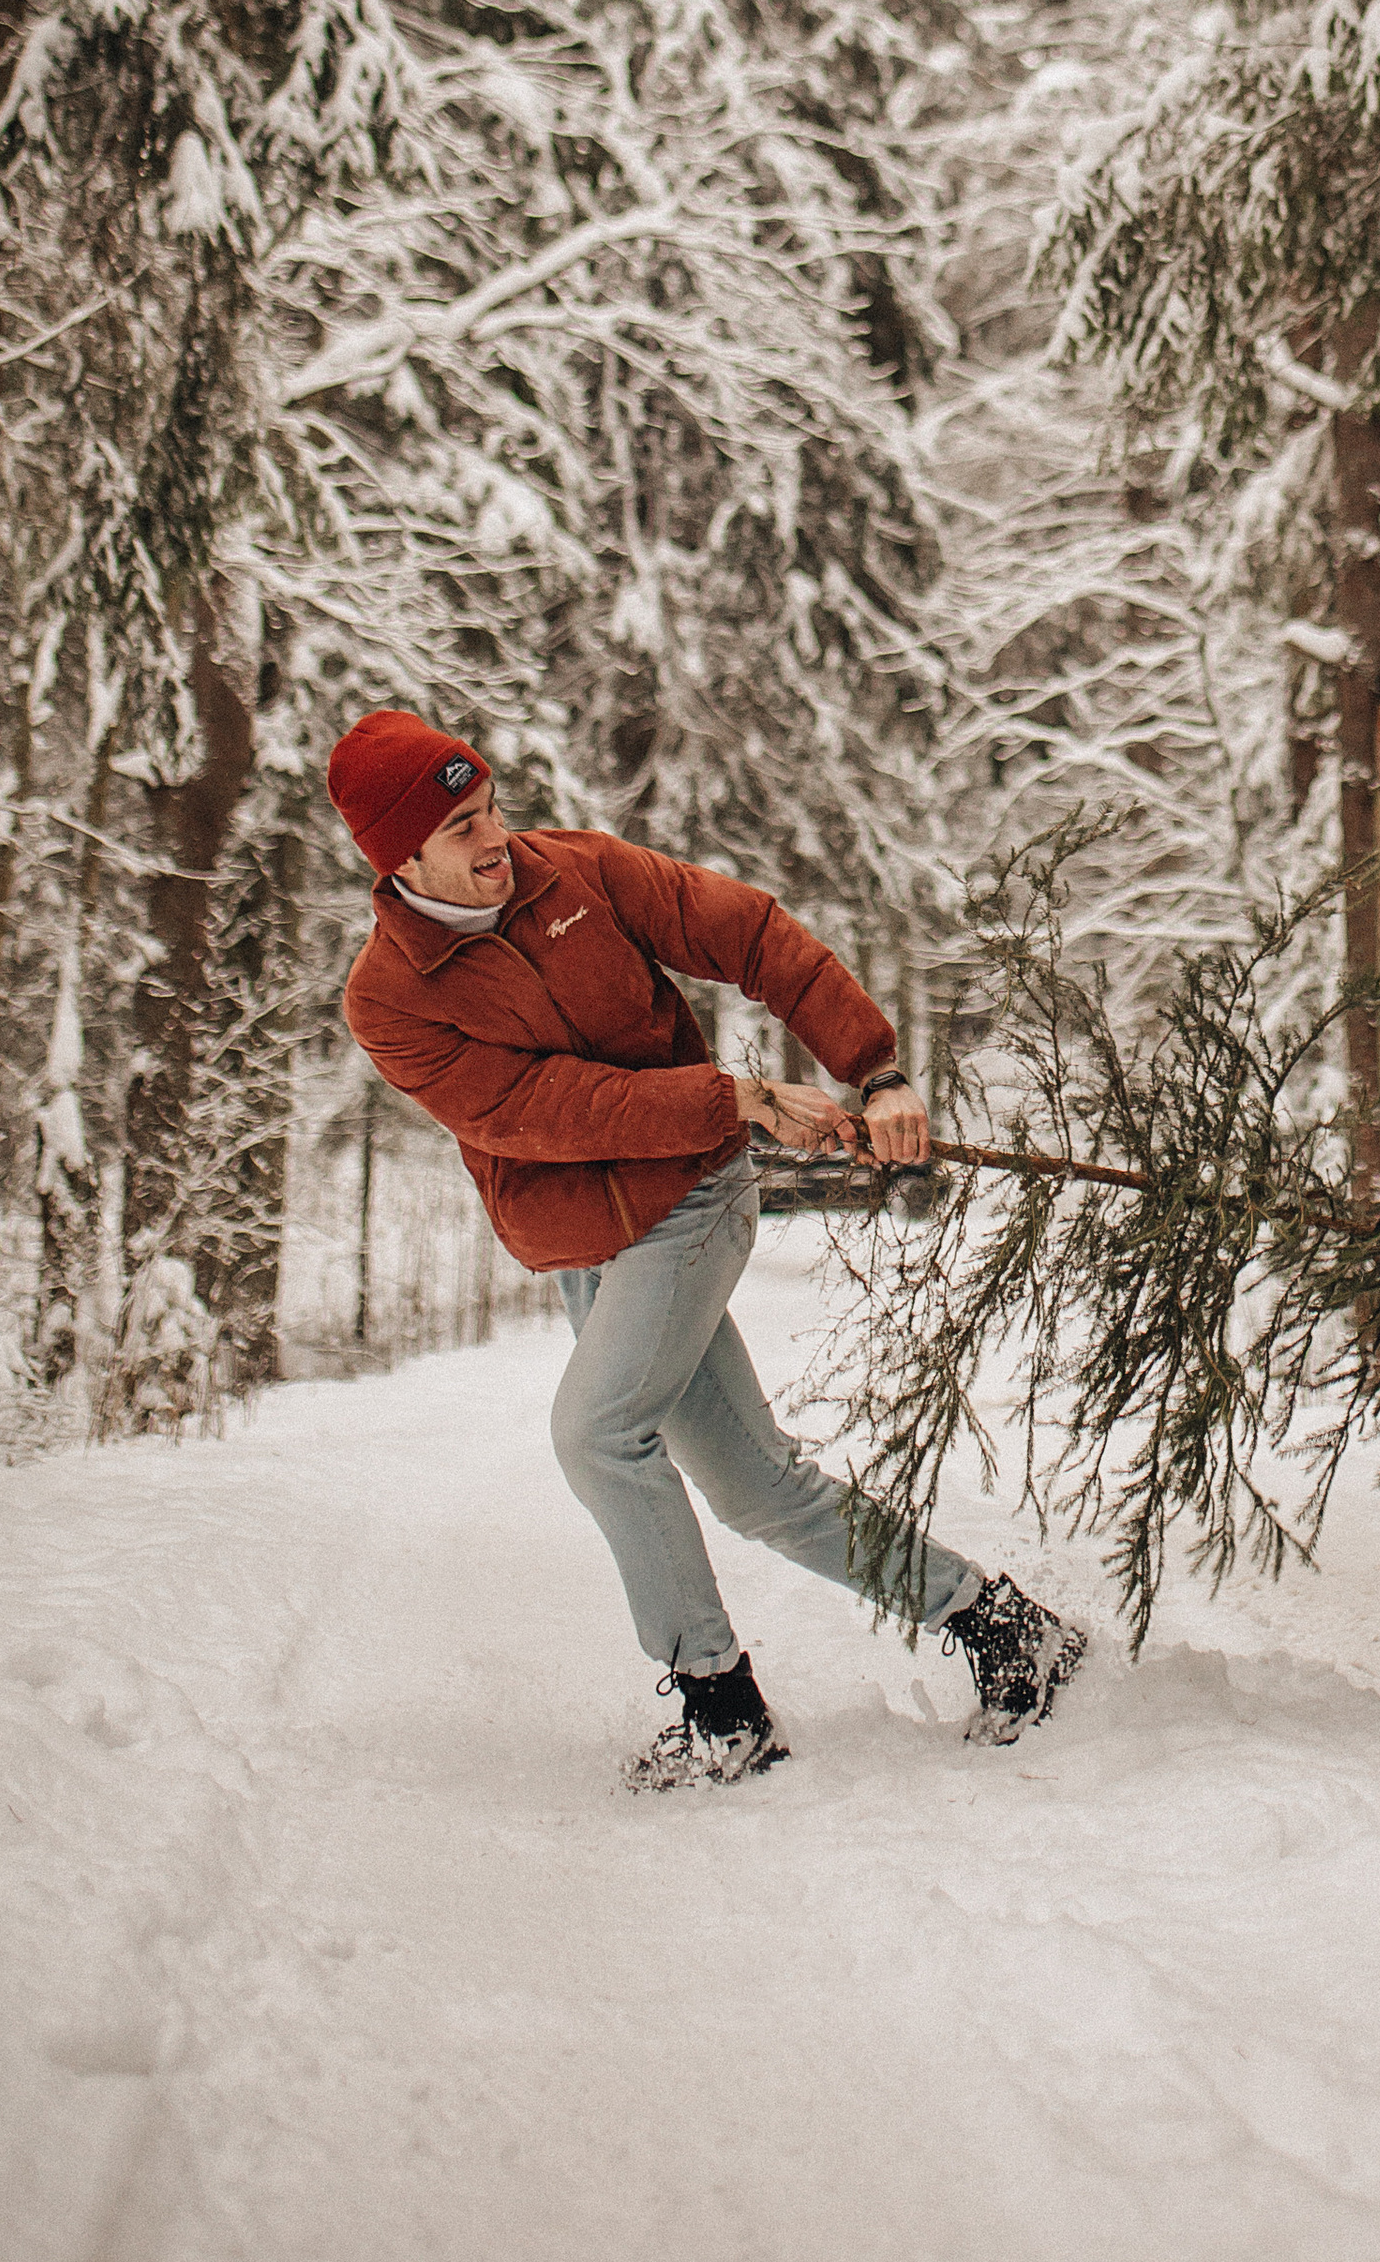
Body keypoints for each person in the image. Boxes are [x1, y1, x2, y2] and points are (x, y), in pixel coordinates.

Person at [326, 706, 1085, 1790]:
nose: (496, 839)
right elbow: (536, 1110)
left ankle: (721, 1710)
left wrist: (875, 1069)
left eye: (491, 808)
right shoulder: (390, 997)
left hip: (690, 1201)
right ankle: (1005, 1631)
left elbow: (750, 934)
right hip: (588, 1247)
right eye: (462, 828)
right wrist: (733, 1095)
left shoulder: (578, 874)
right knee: (758, 1490)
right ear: (400, 858)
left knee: (597, 1436)